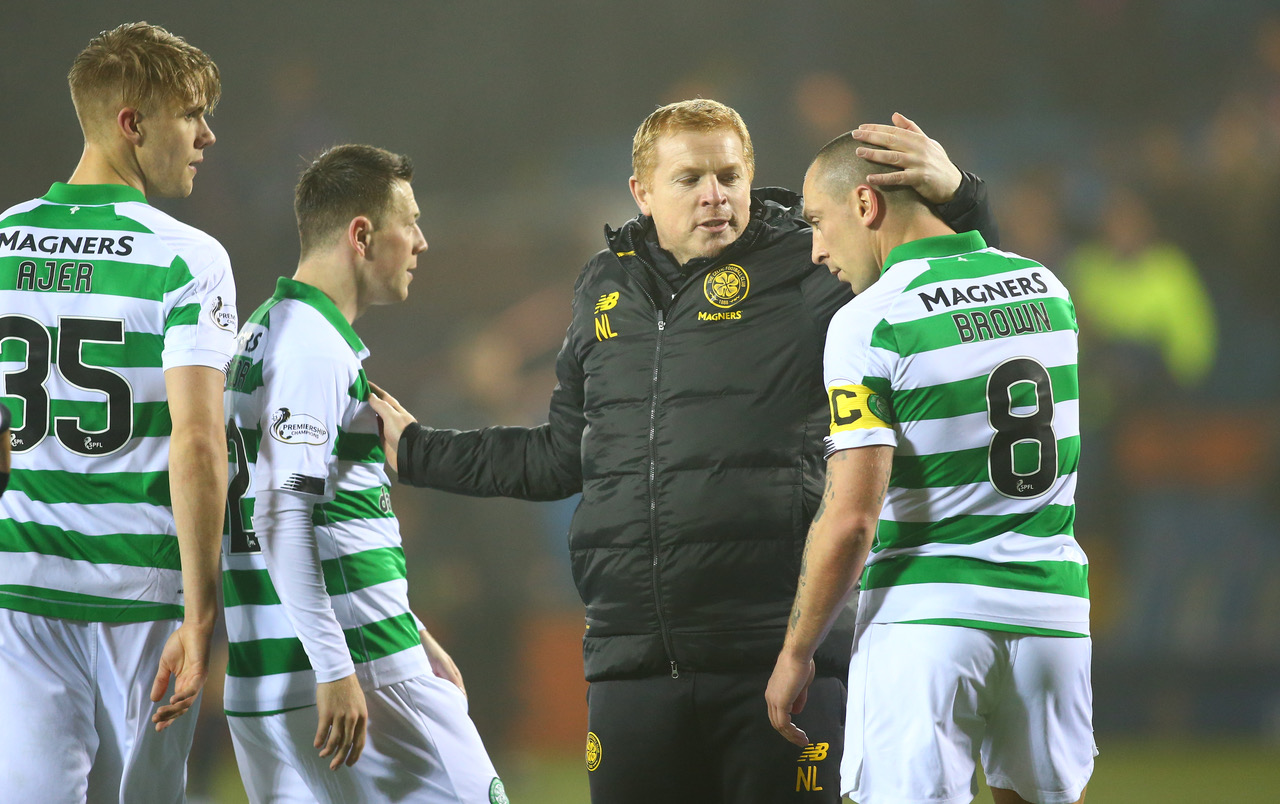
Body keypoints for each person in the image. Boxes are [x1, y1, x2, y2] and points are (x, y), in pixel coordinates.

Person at [369, 99, 997, 803]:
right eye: (690, 178)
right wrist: (420, 451)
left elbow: (955, 288)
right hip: (632, 666)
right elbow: (559, 456)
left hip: (779, 664)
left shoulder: (812, 267)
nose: (715, 195)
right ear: (641, 192)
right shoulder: (602, 288)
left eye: (730, 176)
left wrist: (961, 198)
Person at [765, 133, 1093, 804]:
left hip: (927, 621)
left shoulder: (872, 322)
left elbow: (852, 519)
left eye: (817, 223)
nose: (817, 250)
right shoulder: (1048, 289)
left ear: (864, 202)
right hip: (1052, 615)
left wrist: (797, 652)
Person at [221, 144, 505, 803]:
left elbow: (314, 514)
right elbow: (282, 514)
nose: (422, 243)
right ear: (361, 233)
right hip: (356, 669)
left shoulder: (261, 335)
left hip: (270, 670)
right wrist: (337, 667)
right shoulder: (312, 344)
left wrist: (420, 633)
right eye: (410, 221)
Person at [0, 22, 234, 802]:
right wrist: (202, 616)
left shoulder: (2, 243)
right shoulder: (185, 257)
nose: (207, 134)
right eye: (191, 114)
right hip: (139, 596)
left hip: (20, 587)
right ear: (133, 123)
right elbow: (198, 446)